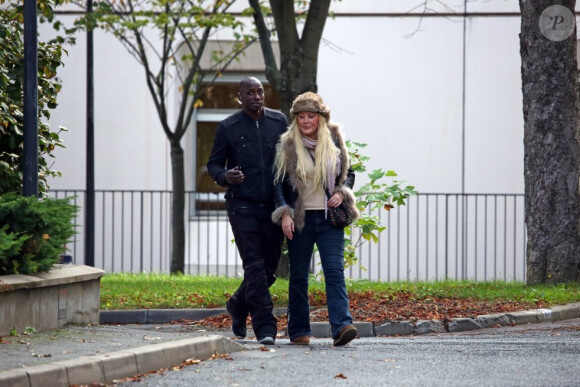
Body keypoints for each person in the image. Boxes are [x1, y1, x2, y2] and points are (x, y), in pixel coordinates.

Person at [271, 92, 360, 346]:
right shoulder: (287, 143)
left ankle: (342, 327)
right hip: (300, 221)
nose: (306, 121)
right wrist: (285, 212)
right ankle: (298, 330)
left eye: (311, 116)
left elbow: (348, 173)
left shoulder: (333, 139)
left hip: (329, 220)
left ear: (320, 118)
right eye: (301, 116)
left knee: (334, 271)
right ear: (296, 119)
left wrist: (342, 193)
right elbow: (278, 183)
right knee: (299, 275)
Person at [207, 77, 287, 345]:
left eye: (260, 91)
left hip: (273, 206)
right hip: (242, 206)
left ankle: (238, 306)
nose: (256, 96)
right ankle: (265, 327)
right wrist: (225, 176)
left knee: (268, 271)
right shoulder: (228, 127)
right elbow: (214, 164)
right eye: (250, 92)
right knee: (253, 266)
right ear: (240, 97)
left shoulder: (278, 122)